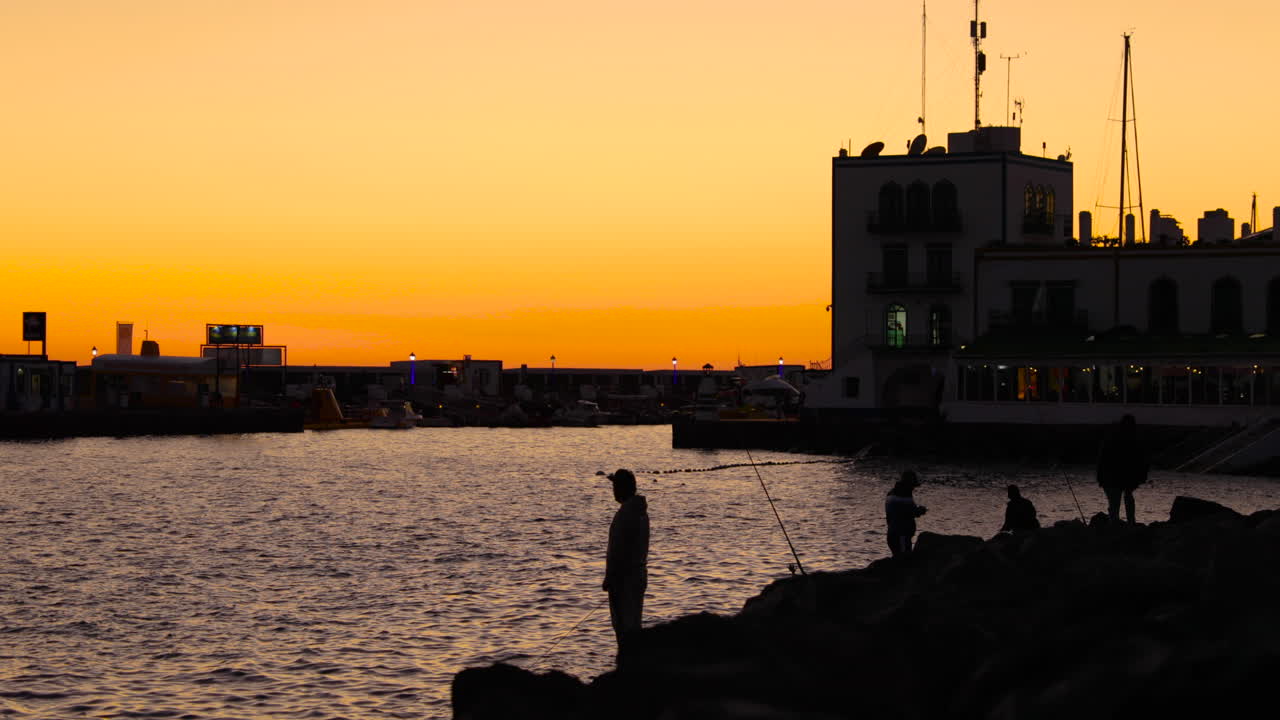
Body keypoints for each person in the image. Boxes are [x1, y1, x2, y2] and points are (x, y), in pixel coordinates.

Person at [603, 468, 649, 650]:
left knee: (624, 626)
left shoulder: (626, 514)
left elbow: (619, 550)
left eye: (615, 486)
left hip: (624, 580)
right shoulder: (640, 512)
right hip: (637, 575)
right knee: (633, 624)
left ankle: (628, 667)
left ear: (622, 489)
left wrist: (611, 577)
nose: (613, 490)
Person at [1096, 414, 1149, 524]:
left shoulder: (1113, 438)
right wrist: (1141, 476)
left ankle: (1116, 523)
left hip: (1112, 475)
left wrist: (1100, 477)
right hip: (1118, 475)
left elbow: (1102, 458)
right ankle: (1129, 522)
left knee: (1115, 501)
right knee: (1124, 497)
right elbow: (1142, 459)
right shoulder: (1134, 438)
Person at [884, 470, 927, 557]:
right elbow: (908, 513)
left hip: (893, 533)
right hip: (901, 535)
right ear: (908, 484)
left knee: (899, 559)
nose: (913, 488)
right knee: (903, 560)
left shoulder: (891, 493)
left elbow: (901, 512)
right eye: (912, 485)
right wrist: (920, 510)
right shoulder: (903, 495)